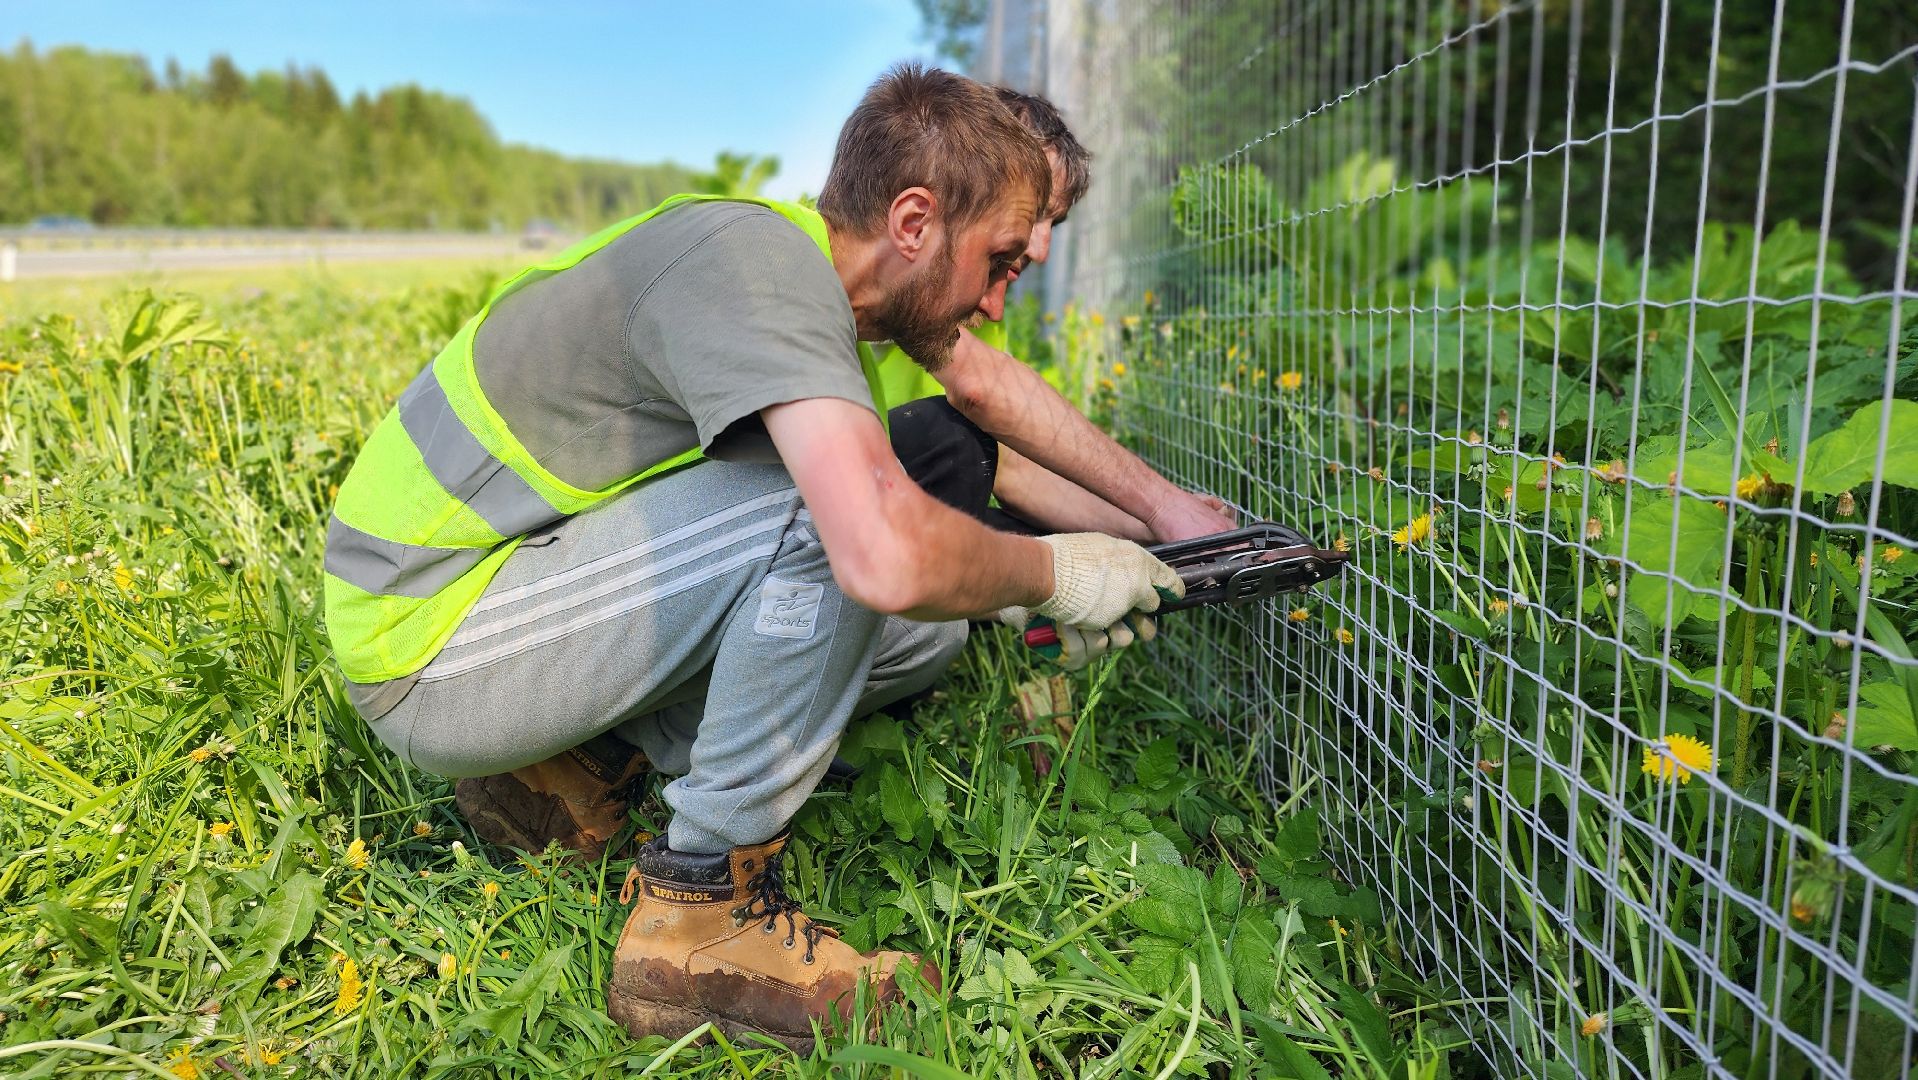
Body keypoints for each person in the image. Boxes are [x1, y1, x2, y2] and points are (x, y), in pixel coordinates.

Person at [321, 65, 1184, 1050]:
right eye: (997, 261)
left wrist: (1138, 529)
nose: (994, 303)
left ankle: (568, 767)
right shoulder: (756, 271)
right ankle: (699, 925)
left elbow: (939, 485)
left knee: (911, 641)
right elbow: (882, 542)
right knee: (839, 518)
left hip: (519, 600)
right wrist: (1058, 575)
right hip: (427, 642)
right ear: (913, 224)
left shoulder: (801, 289)